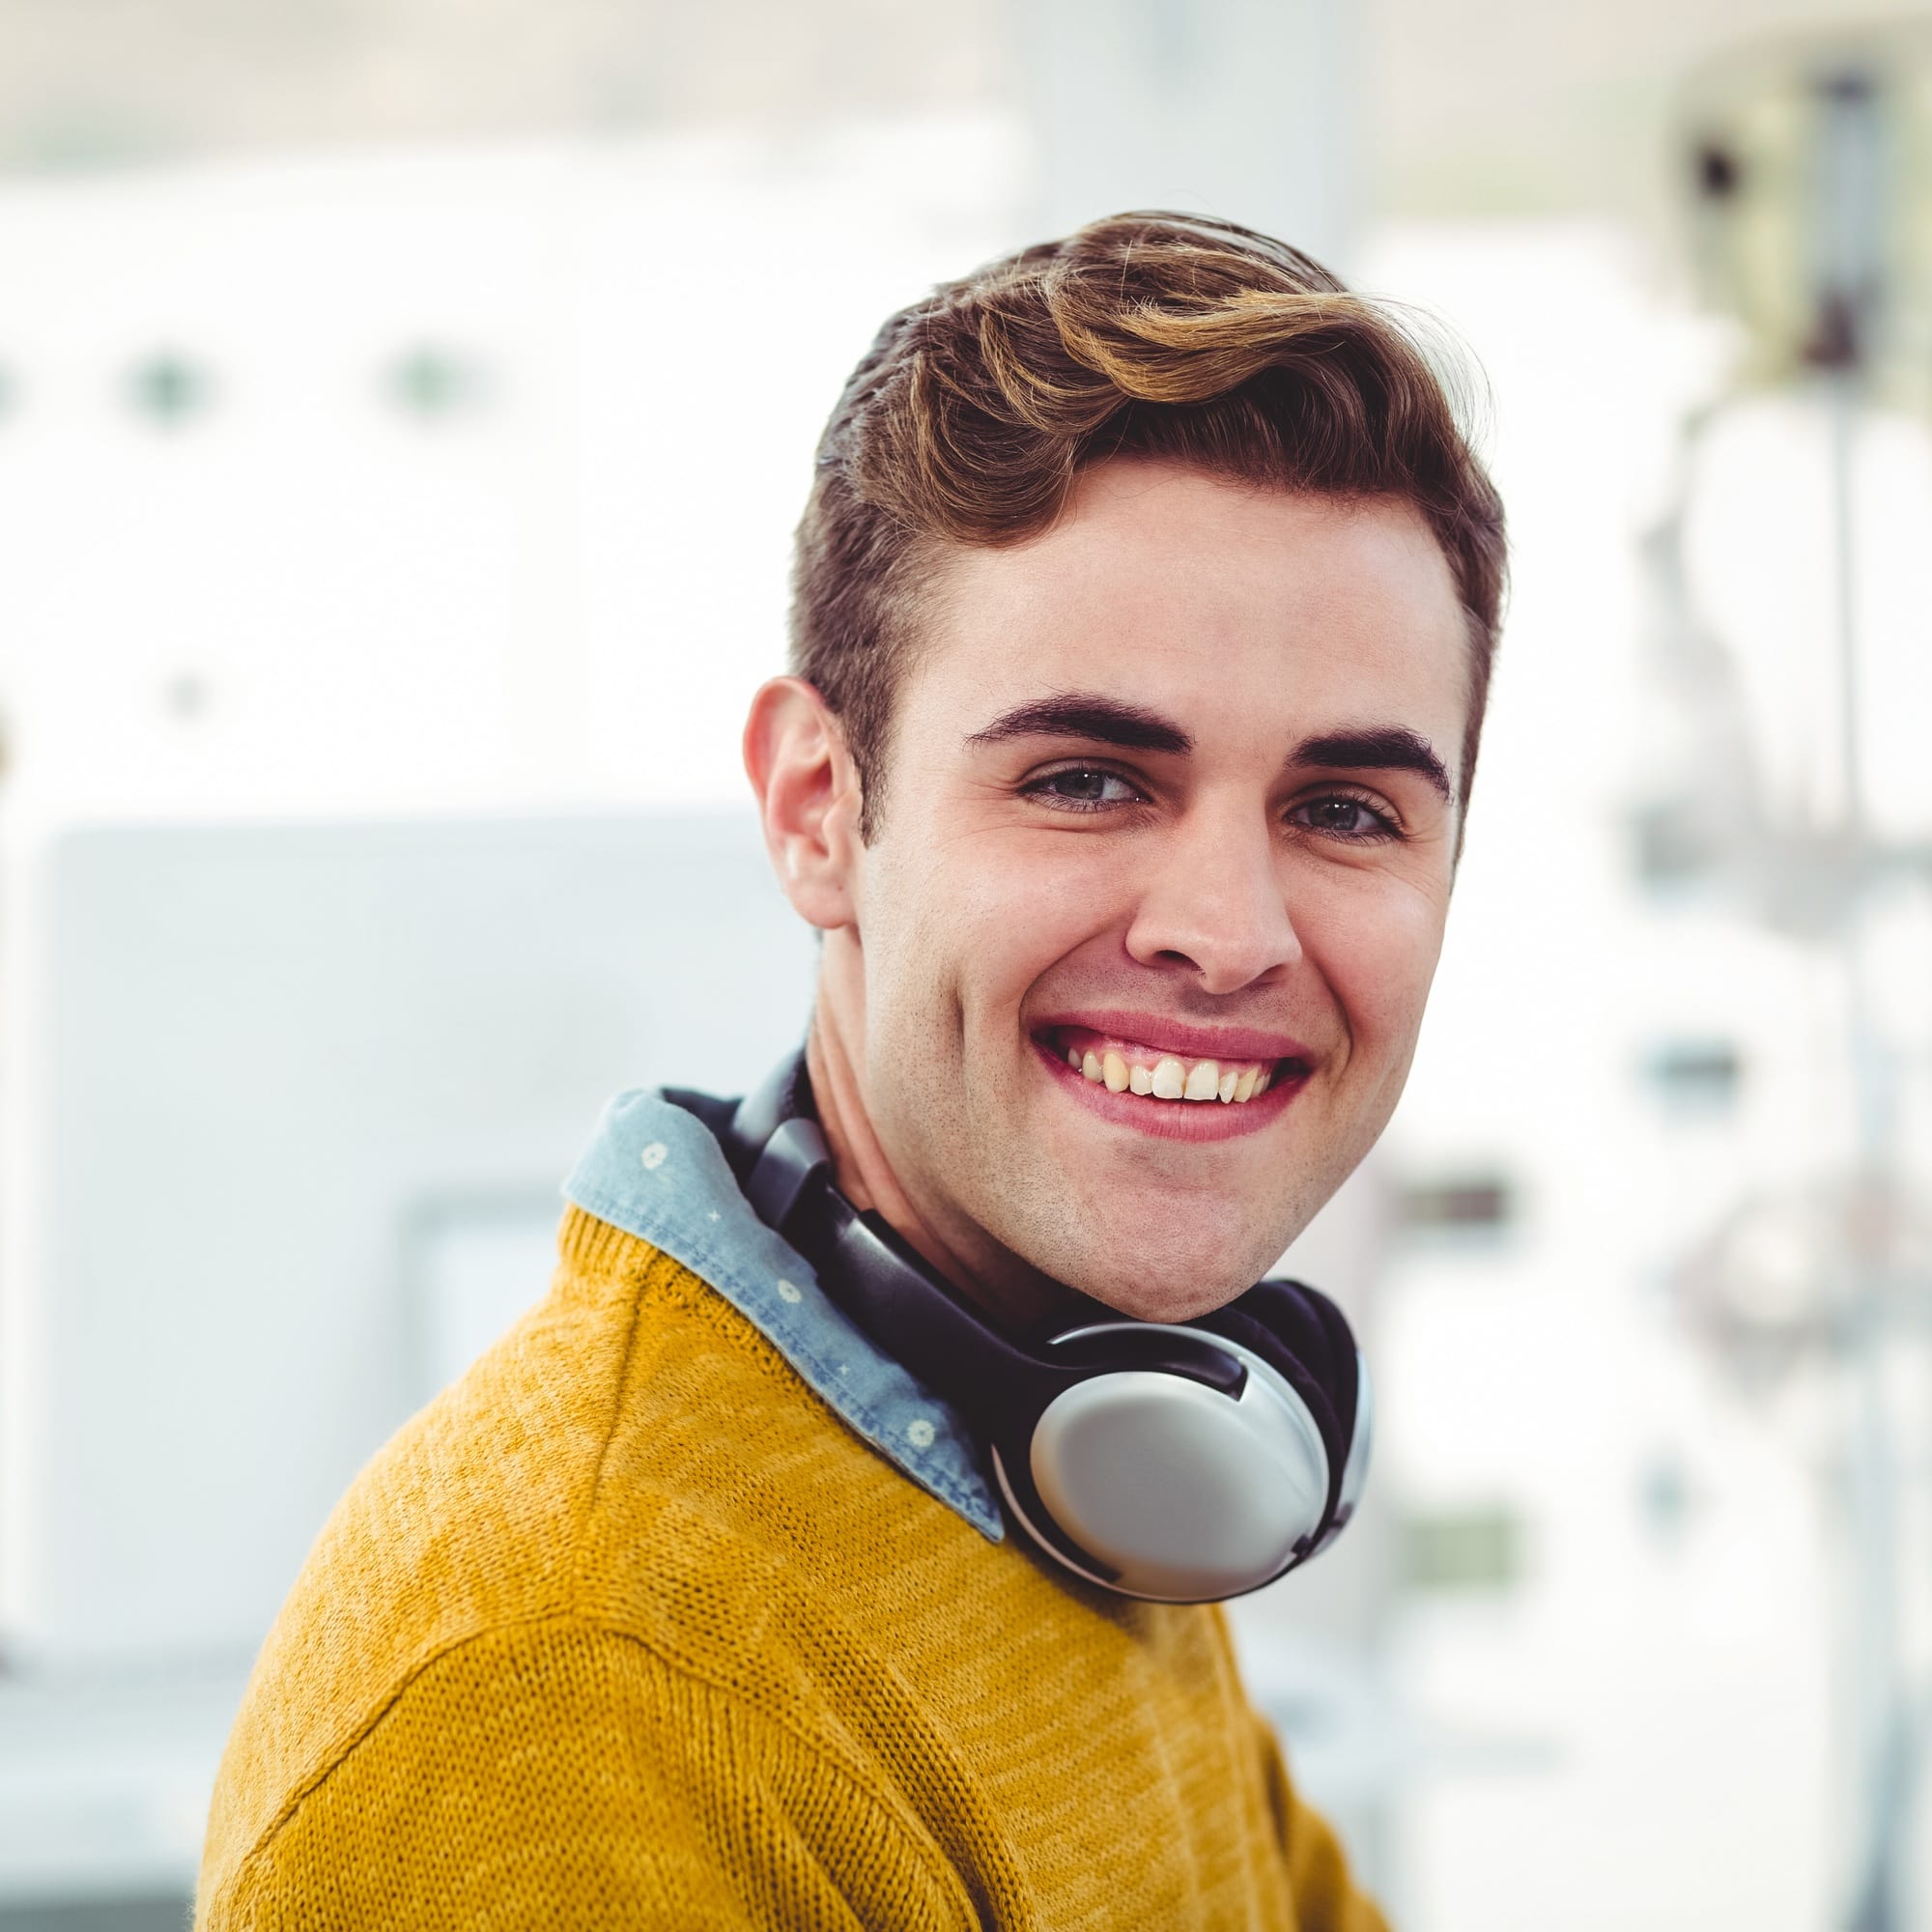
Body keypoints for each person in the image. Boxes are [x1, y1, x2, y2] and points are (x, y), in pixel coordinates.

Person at [195, 211, 1505, 1930]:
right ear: (821, 810)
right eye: (1087, 779)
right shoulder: (564, 1693)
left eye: (1344, 811)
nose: (1227, 932)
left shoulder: (1080, 1443)